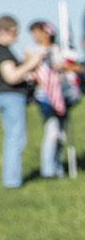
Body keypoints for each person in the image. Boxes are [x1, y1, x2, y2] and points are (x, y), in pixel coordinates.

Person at [29, 19, 83, 178]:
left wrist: (65, 67)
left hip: (64, 95)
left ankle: (58, 167)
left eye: (37, 32)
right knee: (52, 132)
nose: (35, 36)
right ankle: (48, 171)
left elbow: (78, 67)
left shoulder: (61, 50)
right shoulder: (33, 51)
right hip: (46, 97)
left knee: (61, 133)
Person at [0, 14, 39, 188]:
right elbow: (11, 77)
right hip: (11, 96)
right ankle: (12, 181)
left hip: (9, 97)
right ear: (4, 31)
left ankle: (11, 179)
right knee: (16, 138)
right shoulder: (1, 51)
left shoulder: (4, 50)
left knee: (13, 137)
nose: (17, 36)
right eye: (15, 32)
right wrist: (31, 63)